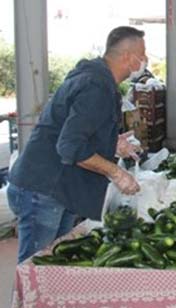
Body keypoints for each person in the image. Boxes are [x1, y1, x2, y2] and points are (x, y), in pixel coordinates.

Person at [7, 26, 144, 263]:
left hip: (59, 187)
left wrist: (112, 144)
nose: (145, 62)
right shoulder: (96, 86)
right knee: (36, 269)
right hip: (44, 188)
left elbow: (78, 132)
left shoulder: (95, 78)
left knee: (56, 264)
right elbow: (70, 146)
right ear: (127, 57)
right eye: (142, 55)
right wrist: (116, 173)